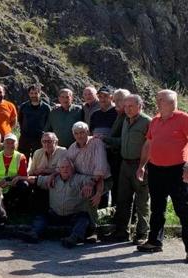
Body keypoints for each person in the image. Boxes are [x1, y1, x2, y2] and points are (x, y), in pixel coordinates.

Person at [136, 90, 188, 261]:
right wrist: (142, 166)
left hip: (178, 170)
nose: (157, 103)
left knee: (183, 210)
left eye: (161, 100)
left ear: (172, 102)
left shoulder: (183, 118)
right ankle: (154, 242)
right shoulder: (155, 121)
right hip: (156, 169)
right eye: (157, 99)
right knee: (157, 208)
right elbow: (148, 144)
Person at [102, 94, 151, 243]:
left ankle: (142, 234)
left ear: (140, 106)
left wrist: (143, 166)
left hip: (140, 165)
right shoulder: (125, 120)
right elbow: (123, 141)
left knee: (142, 201)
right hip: (125, 164)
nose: (127, 109)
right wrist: (104, 139)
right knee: (123, 200)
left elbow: (151, 146)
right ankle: (122, 232)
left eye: (131, 106)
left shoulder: (147, 122)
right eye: (126, 106)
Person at [25, 158, 96, 248]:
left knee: (84, 218)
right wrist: (20, 178)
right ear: (59, 170)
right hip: (55, 215)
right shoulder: (53, 179)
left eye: (67, 167)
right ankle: (34, 234)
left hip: (73, 215)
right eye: (62, 167)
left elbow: (93, 179)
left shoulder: (79, 179)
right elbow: (36, 179)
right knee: (42, 215)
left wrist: (89, 184)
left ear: (72, 169)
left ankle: (74, 238)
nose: (65, 169)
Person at [66, 121, 111, 230]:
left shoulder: (97, 143)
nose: (79, 136)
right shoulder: (72, 148)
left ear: (88, 132)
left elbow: (100, 169)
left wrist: (92, 186)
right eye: (76, 133)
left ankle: (93, 228)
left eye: (82, 132)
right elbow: (68, 165)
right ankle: (77, 221)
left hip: (101, 179)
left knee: (89, 194)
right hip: (83, 179)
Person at [0, 133, 29, 212]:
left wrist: (8, 182)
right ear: (3, 144)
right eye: (7, 142)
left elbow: (23, 176)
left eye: (13, 143)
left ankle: (19, 208)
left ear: (17, 145)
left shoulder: (21, 157)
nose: (10, 145)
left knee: (24, 184)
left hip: (13, 188)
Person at [27, 132, 67, 214]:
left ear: (56, 142)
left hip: (55, 181)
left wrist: (44, 170)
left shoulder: (63, 151)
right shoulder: (37, 152)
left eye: (49, 141)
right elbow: (31, 172)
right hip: (40, 180)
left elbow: (61, 170)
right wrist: (38, 172)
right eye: (44, 141)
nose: (46, 144)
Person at [17, 84, 51, 159]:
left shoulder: (46, 108)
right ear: (29, 94)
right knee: (22, 158)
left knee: (38, 159)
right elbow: (20, 120)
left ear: (40, 93)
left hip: (39, 138)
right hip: (25, 137)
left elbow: (49, 122)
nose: (34, 95)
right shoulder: (23, 106)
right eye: (32, 93)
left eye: (36, 93)